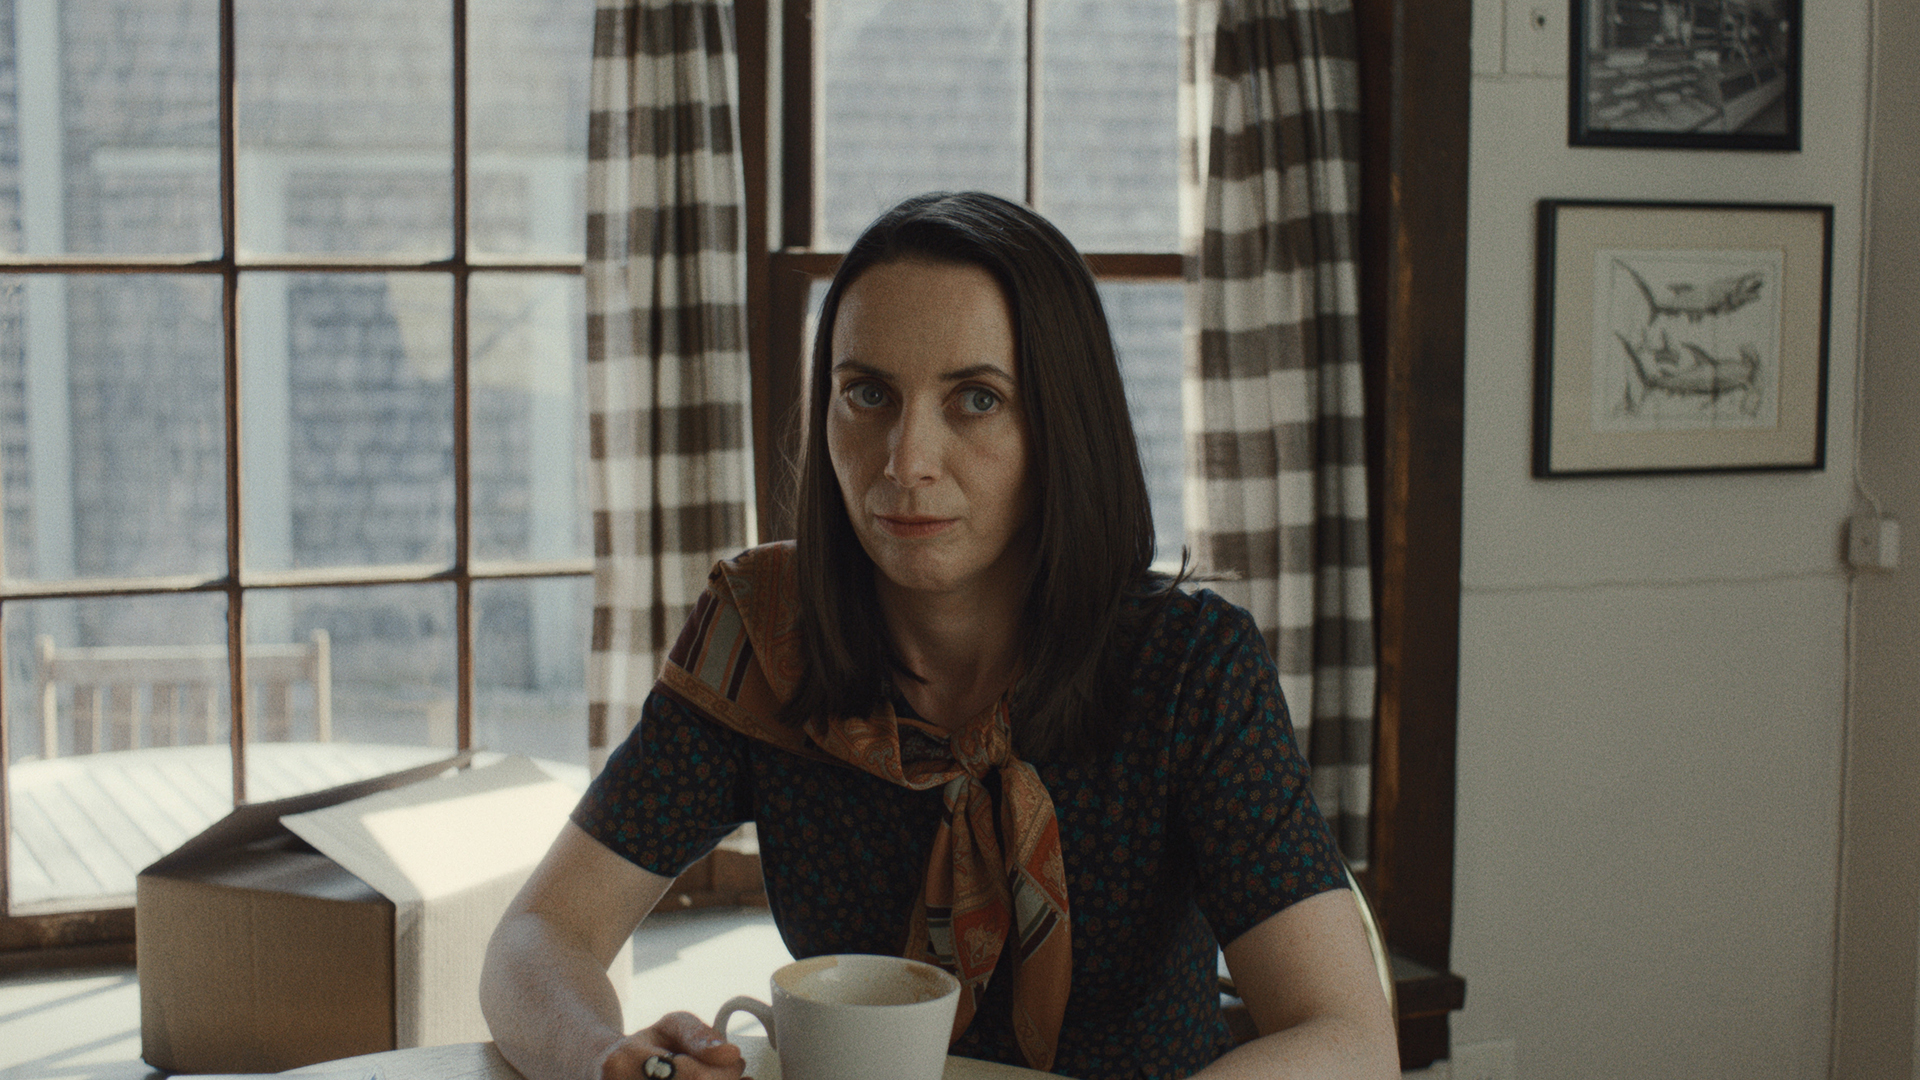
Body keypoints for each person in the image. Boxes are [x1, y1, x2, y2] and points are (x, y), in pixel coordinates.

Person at [480, 191, 1399, 1080]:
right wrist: (601, 1059)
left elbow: (1349, 1041)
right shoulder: (765, 635)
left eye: (976, 400)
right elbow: (539, 938)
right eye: (869, 393)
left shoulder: (1190, 666)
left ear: (1061, 422)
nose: (905, 461)